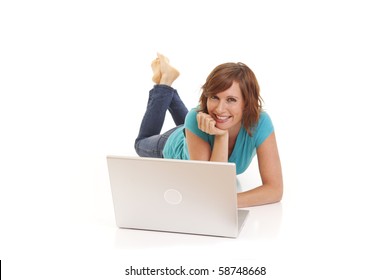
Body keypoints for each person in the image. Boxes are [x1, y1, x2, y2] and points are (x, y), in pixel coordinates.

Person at [134, 53, 283, 207]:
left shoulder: (261, 122)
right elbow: (211, 188)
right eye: (214, 97)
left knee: (194, 120)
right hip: (174, 143)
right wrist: (221, 136)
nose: (220, 108)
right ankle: (164, 85)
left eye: (231, 100)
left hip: (198, 131)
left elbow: (274, 189)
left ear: (247, 103)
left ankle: (169, 88)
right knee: (140, 143)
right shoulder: (196, 117)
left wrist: (228, 201)